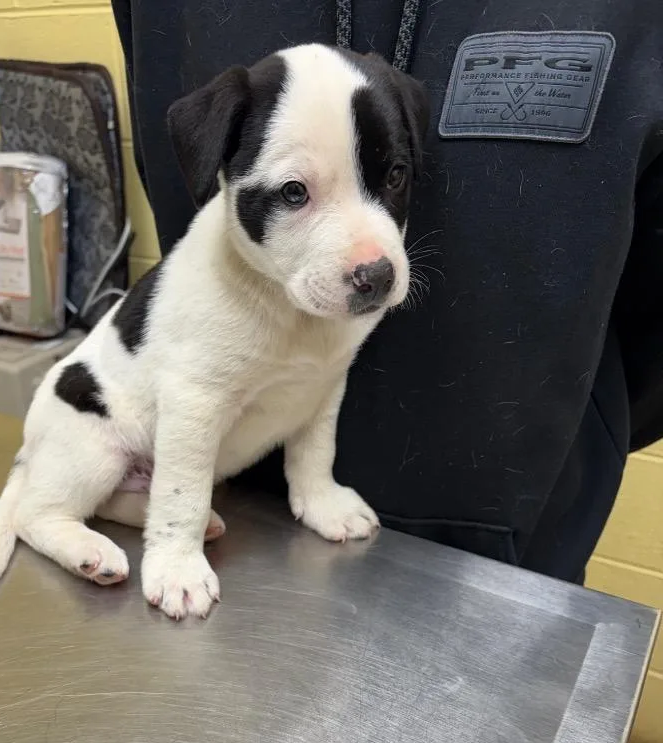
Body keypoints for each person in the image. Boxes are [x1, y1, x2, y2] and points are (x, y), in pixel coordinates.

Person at [110, 0, 663, 583]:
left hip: (516, 546)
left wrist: (598, 419)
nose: (369, 258)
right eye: (296, 193)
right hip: (238, 516)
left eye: (393, 177)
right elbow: (171, 176)